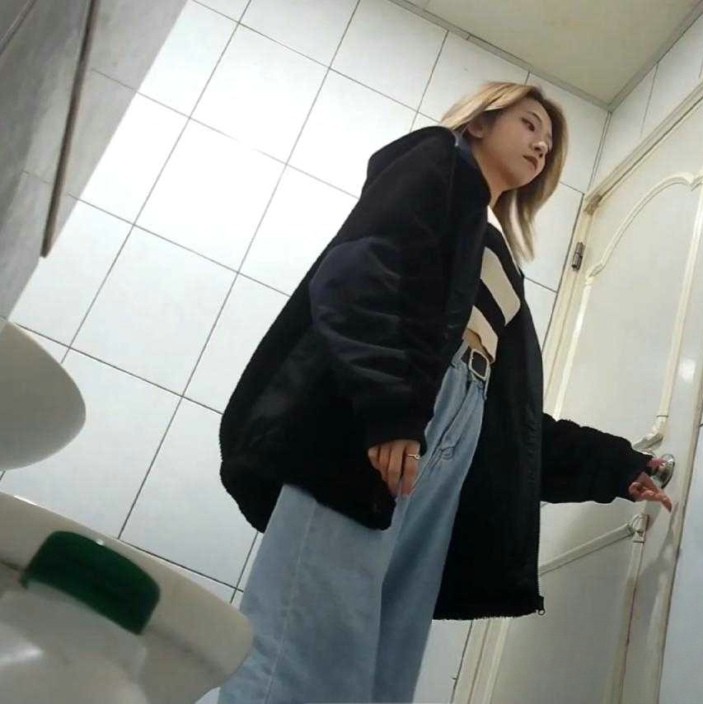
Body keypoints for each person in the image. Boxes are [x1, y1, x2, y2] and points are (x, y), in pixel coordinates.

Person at [217, 81, 672, 704]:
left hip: (451, 427)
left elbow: (509, 424)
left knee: (384, 666)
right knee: (304, 646)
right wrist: (392, 410)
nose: (542, 145)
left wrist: (615, 466)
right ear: (480, 122)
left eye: (549, 141)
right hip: (386, 416)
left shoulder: (500, 257)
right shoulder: (435, 160)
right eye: (530, 123)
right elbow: (363, 271)